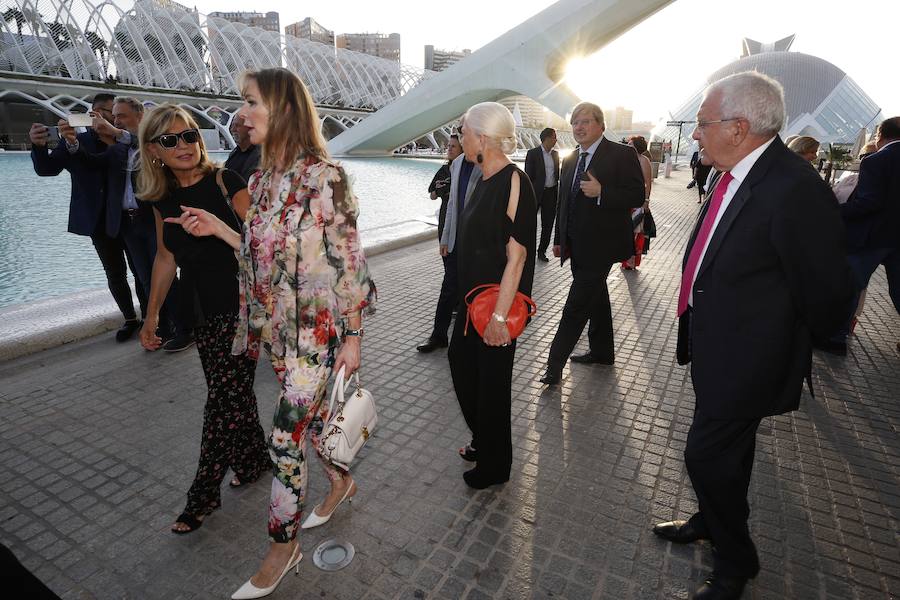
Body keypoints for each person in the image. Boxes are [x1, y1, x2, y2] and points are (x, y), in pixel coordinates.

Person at [166, 67, 375, 599]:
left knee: (284, 438)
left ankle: (282, 547)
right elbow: (263, 260)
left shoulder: (324, 178)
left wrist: (353, 336)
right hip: (280, 336)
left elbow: (349, 264)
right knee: (313, 423)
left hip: (321, 334)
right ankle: (341, 481)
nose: (241, 113)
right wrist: (218, 230)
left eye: (251, 102)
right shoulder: (259, 181)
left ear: (282, 109)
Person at [653, 71, 853, 600]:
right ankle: (711, 519)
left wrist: (777, 338)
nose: (695, 133)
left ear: (739, 127)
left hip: (749, 359)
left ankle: (736, 560)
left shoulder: (793, 189)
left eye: (702, 123)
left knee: (703, 455)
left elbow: (830, 291)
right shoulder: (738, 171)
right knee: (729, 454)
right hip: (716, 347)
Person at [136, 104, 270, 534]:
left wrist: (218, 228)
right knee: (230, 394)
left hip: (240, 306)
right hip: (199, 310)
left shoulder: (226, 181)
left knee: (221, 402)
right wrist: (151, 316)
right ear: (154, 150)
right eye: (171, 140)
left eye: (190, 135)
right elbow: (165, 256)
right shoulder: (161, 198)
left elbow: (262, 244)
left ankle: (203, 494)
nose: (184, 145)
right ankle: (253, 461)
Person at [448, 101, 536, 489]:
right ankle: (484, 439)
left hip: (496, 307)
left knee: (493, 388)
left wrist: (500, 318)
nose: (459, 138)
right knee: (462, 368)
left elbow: (517, 257)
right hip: (470, 304)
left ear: (482, 137)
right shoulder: (479, 178)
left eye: (463, 131)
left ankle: (495, 466)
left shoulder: (514, 181)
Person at [71, 96, 191, 351]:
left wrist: (116, 132)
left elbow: (143, 142)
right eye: (114, 116)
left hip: (152, 220)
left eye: (121, 115)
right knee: (146, 279)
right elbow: (92, 162)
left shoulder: (152, 142)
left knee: (166, 275)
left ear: (139, 116)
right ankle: (164, 327)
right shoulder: (117, 148)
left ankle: (185, 329)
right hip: (129, 224)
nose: (115, 120)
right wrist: (72, 143)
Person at [539, 102, 645, 385]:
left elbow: (636, 195)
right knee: (597, 298)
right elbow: (564, 201)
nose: (579, 127)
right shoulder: (571, 158)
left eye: (585, 121)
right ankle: (602, 352)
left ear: (600, 125)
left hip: (603, 245)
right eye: (575, 122)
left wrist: (602, 192)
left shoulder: (621, 154)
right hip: (577, 244)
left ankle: (553, 364)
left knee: (575, 306)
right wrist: (560, 239)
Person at [29, 93, 144, 342]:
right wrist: (39, 146)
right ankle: (130, 318)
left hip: (130, 216)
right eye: (103, 111)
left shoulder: (126, 140)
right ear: (91, 112)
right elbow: (47, 169)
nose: (108, 116)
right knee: (115, 272)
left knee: (140, 268)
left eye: (113, 112)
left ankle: (150, 315)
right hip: (97, 218)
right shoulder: (75, 140)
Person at [832, 117, 900, 354]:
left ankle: (836, 338)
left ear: (880, 135)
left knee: (851, 285)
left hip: (872, 237)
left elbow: (869, 203)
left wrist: (834, 211)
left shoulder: (876, 160)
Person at [417, 131, 481, 353]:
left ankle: (467, 341)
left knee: (472, 293)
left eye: (467, 130)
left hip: (477, 244)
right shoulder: (457, 165)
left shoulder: (487, 164)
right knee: (448, 289)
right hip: (454, 239)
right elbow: (452, 203)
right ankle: (438, 336)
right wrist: (445, 237)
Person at [524, 128, 560, 262]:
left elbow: (557, 174)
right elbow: (528, 175)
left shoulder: (555, 154)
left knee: (548, 224)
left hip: (551, 193)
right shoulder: (533, 154)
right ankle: (526, 250)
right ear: (547, 138)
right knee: (529, 223)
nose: (556, 140)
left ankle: (541, 252)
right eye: (554, 137)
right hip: (535, 193)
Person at [622, 135, 653, 270]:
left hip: (638, 202)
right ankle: (625, 259)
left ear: (636, 147)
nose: (628, 146)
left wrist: (646, 201)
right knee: (625, 231)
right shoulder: (626, 160)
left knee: (635, 231)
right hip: (625, 201)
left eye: (630, 144)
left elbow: (648, 183)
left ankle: (632, 261)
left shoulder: (644, 161)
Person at [224, 113, 262, 184]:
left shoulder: (261, 155)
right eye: (232, 125)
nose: (233, 129)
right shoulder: (234, 153)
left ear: (250, 128)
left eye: (237, 125)